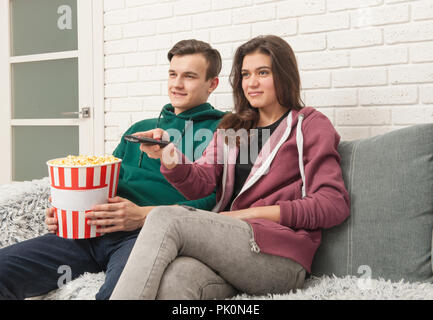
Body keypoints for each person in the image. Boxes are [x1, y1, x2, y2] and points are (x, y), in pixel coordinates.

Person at [109, 35, 351, 300]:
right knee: (174, 280)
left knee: (164, 217)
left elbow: (332, 204)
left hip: (280, 256)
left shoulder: (308, 125)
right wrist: (169, 154)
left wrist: (247, 215)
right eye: (246, 74)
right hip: (231, 251)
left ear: (284, 76)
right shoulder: (237, 128)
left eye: (263, 72)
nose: (252, 82)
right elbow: (200, 182)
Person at [0, 39, 227, 300]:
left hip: (145, 237)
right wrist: (67, 210)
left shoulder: (222, 130)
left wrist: (142, 215)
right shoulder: (140, 128)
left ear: (212, 84)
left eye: (189, 76)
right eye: (173, 74)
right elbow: (104, 180)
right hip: (92, 232)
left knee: (118, 295)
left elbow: (216, 202)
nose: (177, 84)